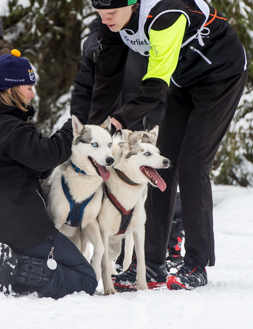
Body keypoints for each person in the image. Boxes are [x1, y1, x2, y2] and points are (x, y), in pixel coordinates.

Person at [88, 0, 248, 290]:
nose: (105, 19)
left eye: (112, 12)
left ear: (131, 3)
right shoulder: (111, 21)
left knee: (191, 166)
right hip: (185, 83)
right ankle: (153, 265)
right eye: (100, 12)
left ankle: (197, 264)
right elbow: (107, 79)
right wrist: (94, 129)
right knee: (160, 167)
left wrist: (119, 120)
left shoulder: (164, 17)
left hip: (222, 77)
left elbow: (154, 86)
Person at [0, 50, 97, 299]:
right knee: (86, 279)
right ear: (10, 91)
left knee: (70, 269)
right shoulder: (8, 127)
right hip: (22, 233)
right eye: (28, 87)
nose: (32, 93)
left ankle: (7, 266)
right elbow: (48, 154)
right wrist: (74, 124)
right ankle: (15, 271)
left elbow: (33, 165)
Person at [71, 17, 184, 268]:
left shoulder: (147, 33)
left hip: (150, 122)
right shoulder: (93, 40)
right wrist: (84, 125)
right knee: (117, 188)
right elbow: (83, 86)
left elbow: (165, 77)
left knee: (156, 182)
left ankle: (172, 241)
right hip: (111, 130)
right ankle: (123, 253)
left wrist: (163, 116)